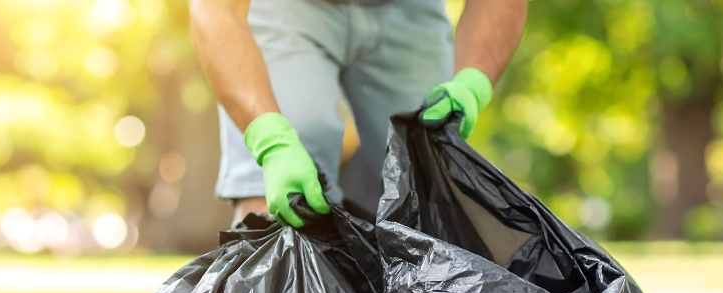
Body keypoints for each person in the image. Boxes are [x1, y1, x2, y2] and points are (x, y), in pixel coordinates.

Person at [189, 0, 527, 227]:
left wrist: (472, 81)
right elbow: (215, 9)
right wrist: (269, 138)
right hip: (286, 6)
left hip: (408, 9)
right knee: (278, 202)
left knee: (433, 190)